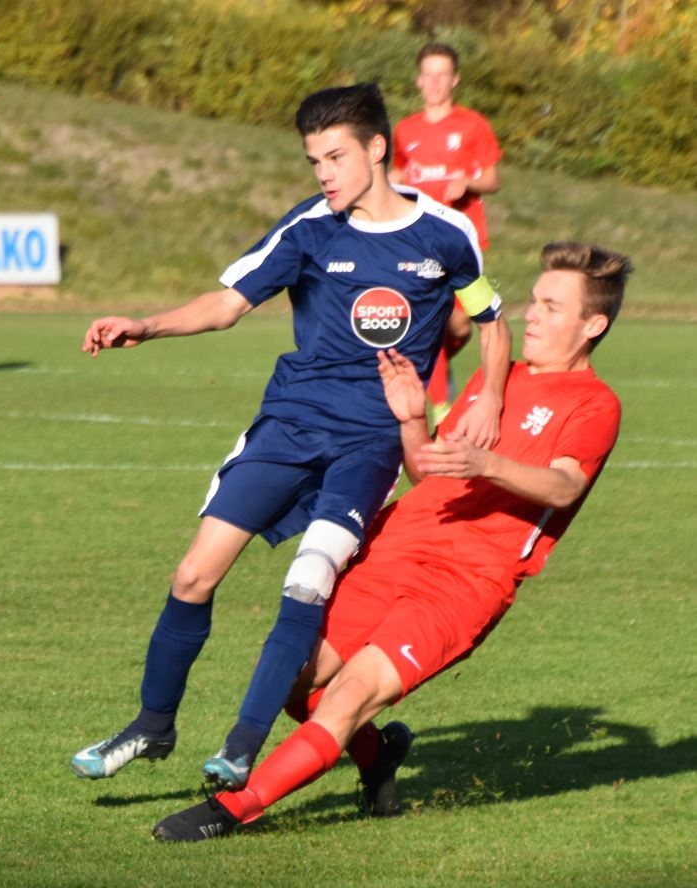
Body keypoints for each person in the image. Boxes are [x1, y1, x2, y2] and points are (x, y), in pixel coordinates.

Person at [72, 83, 511, 785]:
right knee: (193, 574)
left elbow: (490, 320)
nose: (324, 174)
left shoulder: (445, 234)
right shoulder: (309, 227)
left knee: (309, 580)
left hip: (370, 444)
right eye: (314, 162)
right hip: (290, 424)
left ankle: (242, 746)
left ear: (376, 148)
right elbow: (227, 305)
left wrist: (491, 395)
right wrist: (145, 325)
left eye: (336, 157)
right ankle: (153, 726)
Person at [151, 240, 633, 842]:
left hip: (463, 583)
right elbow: (428, 474)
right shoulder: (496, 379)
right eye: (534, 300)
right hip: (393, 547)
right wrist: (411, 419)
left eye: (551, 307)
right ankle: (377, 756)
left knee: (349, 696)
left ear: (593, 325)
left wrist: (487, 464)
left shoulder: (594, 403)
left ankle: (232, 809)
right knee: (292, 685)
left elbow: (564, 486)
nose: (530, 315)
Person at [390, 42, 503, 424]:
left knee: (459, 326)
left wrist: (468, 181)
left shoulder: (472, 125)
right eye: (429, 75)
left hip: (462, 239)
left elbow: (492, 178)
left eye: (443, 75)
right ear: (419, 80)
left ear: (454, 80)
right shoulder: (405, 130)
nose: (435, 82)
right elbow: (397, 174)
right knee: (433, 320)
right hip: (418, 241)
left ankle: (427, 369)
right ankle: (441, 407)